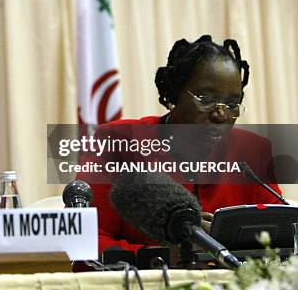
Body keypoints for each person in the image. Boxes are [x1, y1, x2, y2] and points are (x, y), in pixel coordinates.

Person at [83, 35, 284, 254]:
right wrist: (167, 256)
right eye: (206, 99)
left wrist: (225, 242)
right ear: (173, 96)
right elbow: (87, 239)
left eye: (232, 104)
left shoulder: (253, 151)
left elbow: (282, 235)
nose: (221, 114)